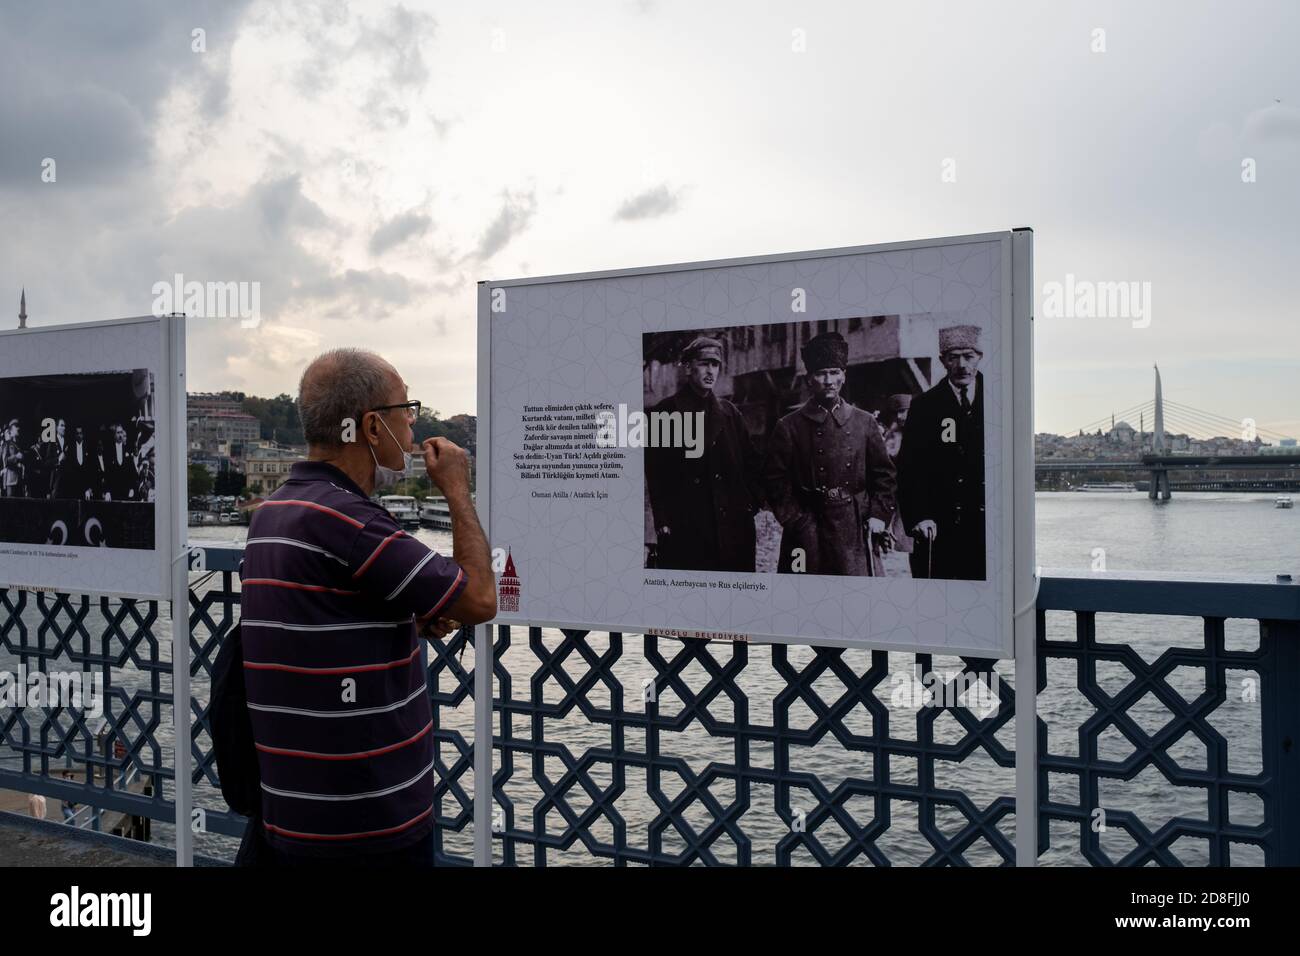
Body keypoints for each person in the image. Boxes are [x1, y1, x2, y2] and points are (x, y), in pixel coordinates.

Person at [235, 347, 495, 867]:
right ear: (372, 428)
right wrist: (458, 492)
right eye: (407, 409)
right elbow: (479, 598)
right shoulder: (351, 521)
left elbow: (316, 613)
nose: (414, 424)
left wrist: (400, 613)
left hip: (290, 809)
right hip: (366, 823)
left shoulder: (278, 509)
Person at [763, 331, 897, 576]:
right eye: (821, 373)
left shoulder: (864, 422)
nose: (828, 380)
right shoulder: (789, 426)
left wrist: (878, 516)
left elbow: (885, 476)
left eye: (835, 372)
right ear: (809, 380)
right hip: (807, 531)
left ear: (843, 377)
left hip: (854, 529)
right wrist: (796, 521)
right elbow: (775, 482)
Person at [645, 335, 762, 572]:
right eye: (703, 363)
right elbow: (655, 475)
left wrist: (752, 504)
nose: (711, 371)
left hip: (733, 531)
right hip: (687, 530)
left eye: (715, 364)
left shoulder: (730, 414)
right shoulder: (666, 412)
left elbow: (752, 463)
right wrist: (662, 522)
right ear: (688, 368)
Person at [897, 324, 986, 581]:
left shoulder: (998, 398)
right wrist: (919, 517)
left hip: (986, 530)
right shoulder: (925, 405)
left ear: (979, 357)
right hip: (938, 529)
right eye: (953, 357)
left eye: (968, 356)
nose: (961, 365)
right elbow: (909, 469)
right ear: (942, 361)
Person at [100, 423, 137, 501]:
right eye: (118, 433)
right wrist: (107, 491)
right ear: (114, 435)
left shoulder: (128, 450)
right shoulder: (109, 451)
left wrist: (132, 488)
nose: (120, 435)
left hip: (126, 491)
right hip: (113, 490)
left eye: (121, 432)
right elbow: (107, 472)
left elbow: (132, 470)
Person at [2, 420, 25, 498]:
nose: (18, 428)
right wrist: (16, 457)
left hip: (20, 480)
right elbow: (5, 461)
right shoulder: (7, 444)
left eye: (19, 427)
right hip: (11, 480)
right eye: (16, 427)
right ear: (11, 430)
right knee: (10, 506)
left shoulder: (20, 445)